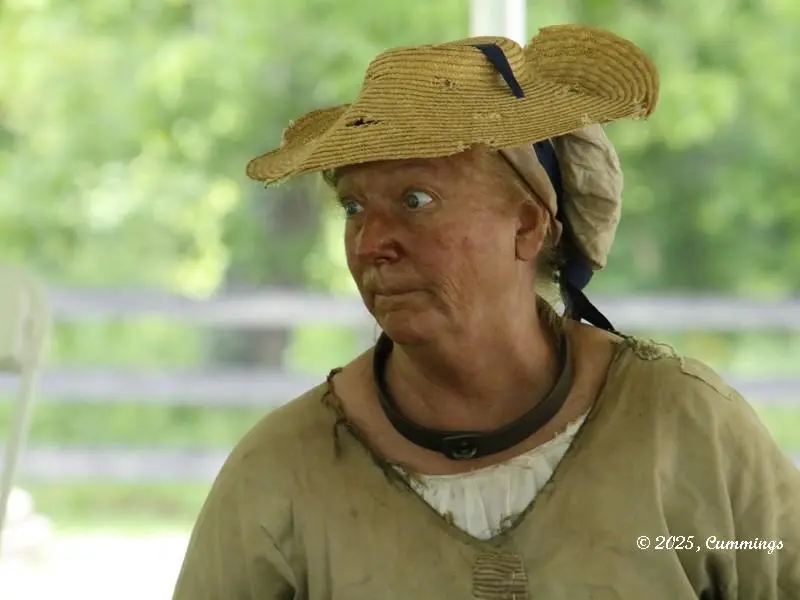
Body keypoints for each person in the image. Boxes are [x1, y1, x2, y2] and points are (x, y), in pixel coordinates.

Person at [172, 25, 800, 599]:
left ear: (527, 226)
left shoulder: (681, 429)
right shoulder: (285, 472)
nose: (370, 244)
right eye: (354, 208)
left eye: (415, 200)